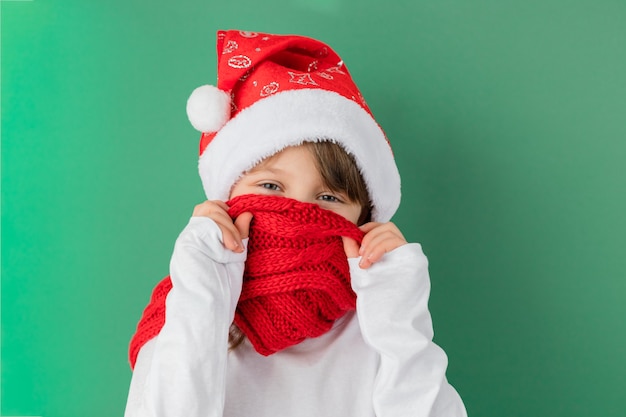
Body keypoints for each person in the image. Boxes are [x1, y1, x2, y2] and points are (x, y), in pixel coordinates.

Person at [124, 30, 467, 417]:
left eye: (329, 198)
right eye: (270, 185)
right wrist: (203, 293)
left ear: (364, 218)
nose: (297, 213)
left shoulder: (376, 326)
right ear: (227, 197)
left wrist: (398, 317)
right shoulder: (185, 312)